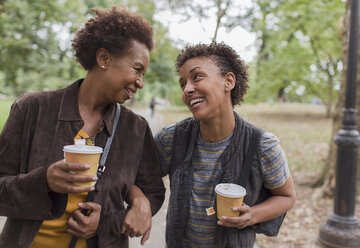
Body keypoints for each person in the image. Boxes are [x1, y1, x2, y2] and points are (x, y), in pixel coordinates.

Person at [0, 6, 165, 248]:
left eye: (144, 74)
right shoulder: (32, 109)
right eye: (137, 69)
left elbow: (154, 192)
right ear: (104, 59)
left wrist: (119, 216)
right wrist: (44, 180)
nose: (140, 82)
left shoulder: (135, 129)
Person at [154, 42, 296, 247]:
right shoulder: (171, 139)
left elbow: (287, 197)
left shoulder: (262, 146)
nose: (187, 89)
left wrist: (252, 215)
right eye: (183, 83)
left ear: (228, 81)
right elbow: (139, 177)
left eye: (197, 77)